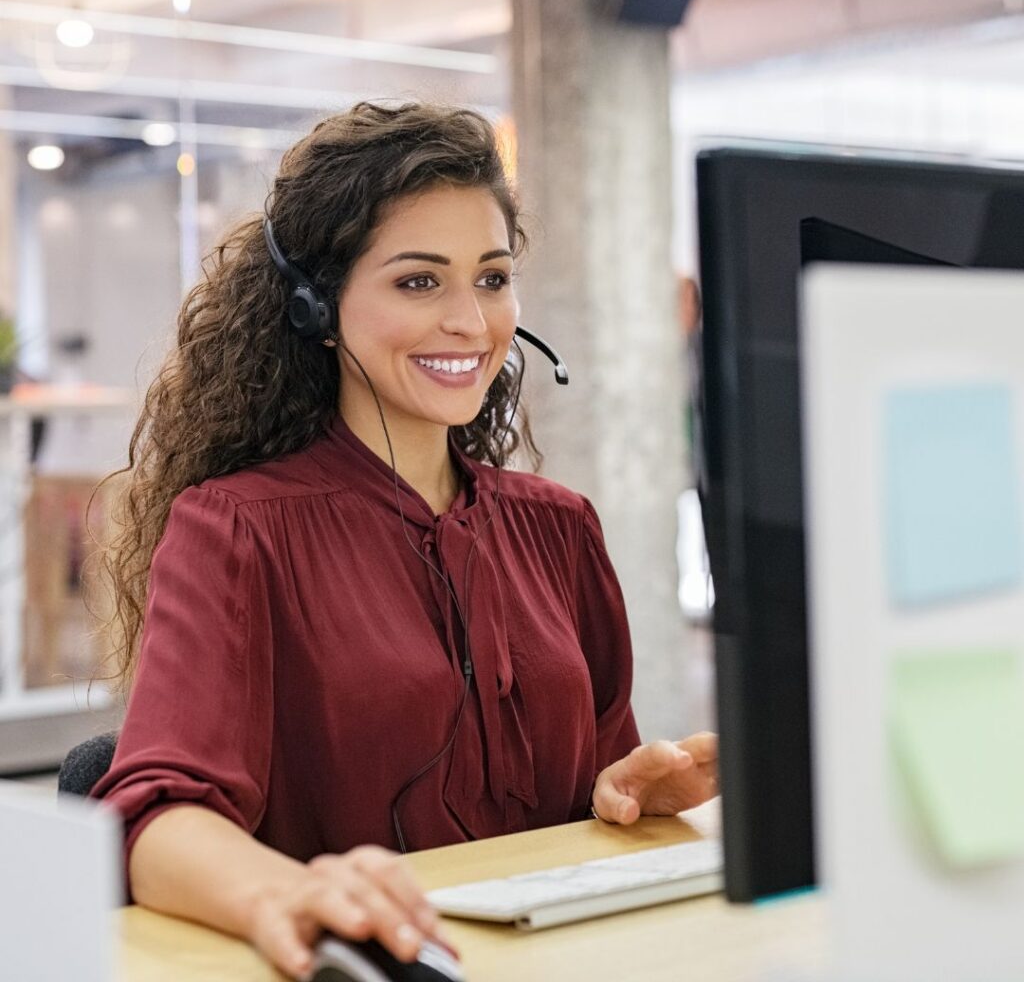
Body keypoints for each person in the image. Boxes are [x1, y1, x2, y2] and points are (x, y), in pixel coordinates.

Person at [91, 100, 718, 980]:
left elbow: (594, 779)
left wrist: (622, 792)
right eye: (419, 281)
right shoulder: (237, 529)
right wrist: (284, 894)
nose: (470, 321)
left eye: (492, 278)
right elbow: (151, 821)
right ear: (317, 305)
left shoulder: (558, 526)